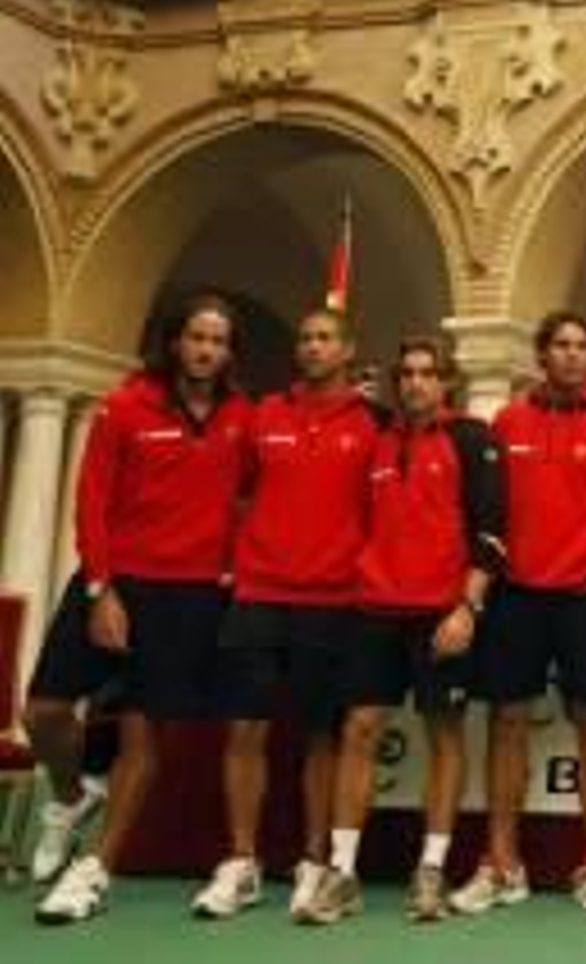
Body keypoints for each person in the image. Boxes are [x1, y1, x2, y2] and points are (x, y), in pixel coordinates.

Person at [29, 293, 252, 924]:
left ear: (229, 353)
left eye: (218, 341)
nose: (206, 350)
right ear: (175, 342)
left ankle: (95, 869)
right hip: (116, 582)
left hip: (192, 596)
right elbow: (91, 499)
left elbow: (268, 491)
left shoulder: (243, 417)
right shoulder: (125, 406)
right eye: (197, 337)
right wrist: (102, 588)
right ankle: (71, 796)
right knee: (43, 712)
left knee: (141, 734)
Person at [300, 336, 504, 925]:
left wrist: (466, 609)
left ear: (447, 382)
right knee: (359, 729)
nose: (416, 383)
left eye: (427, 373)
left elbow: (492, 532)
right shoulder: (376, 438)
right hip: (374, 608)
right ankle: (342, 872)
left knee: (445, 733)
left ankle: (431, 870)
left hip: (443, 611)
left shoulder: (472, 439)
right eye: (407, 374)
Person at [191, 307, 380, 922]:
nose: (313, 347)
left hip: (334, 600)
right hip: (259, 593)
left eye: (325, 338)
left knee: (321, 736)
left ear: (347, 349)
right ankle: (242, 862)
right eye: (305, 339)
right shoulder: (264, 413)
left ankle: (313, 861)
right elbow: (238, 491)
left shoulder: (371, 422)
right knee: (245, 729)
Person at [451, 310, 586, 915]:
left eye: (582, 346)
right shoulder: (508, 421)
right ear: (541, 354)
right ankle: (502, 862)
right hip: (517, 595)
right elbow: (488, 508)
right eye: (561, 345)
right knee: (507, 722)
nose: (572, 355)